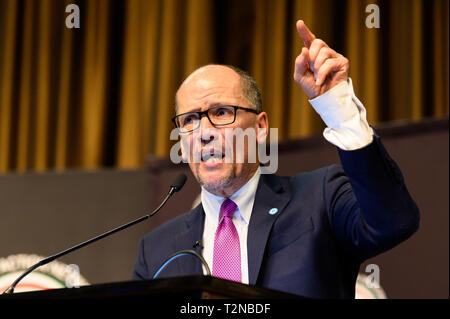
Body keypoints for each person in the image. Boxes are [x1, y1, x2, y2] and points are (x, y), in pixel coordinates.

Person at [132, 20, 419, 298]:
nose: (204, 132)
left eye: (221, 113)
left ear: (260, 127)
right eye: (190, 119)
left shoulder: (319, 198)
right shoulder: (156, 250)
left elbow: (393, 223)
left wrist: (339, 109)